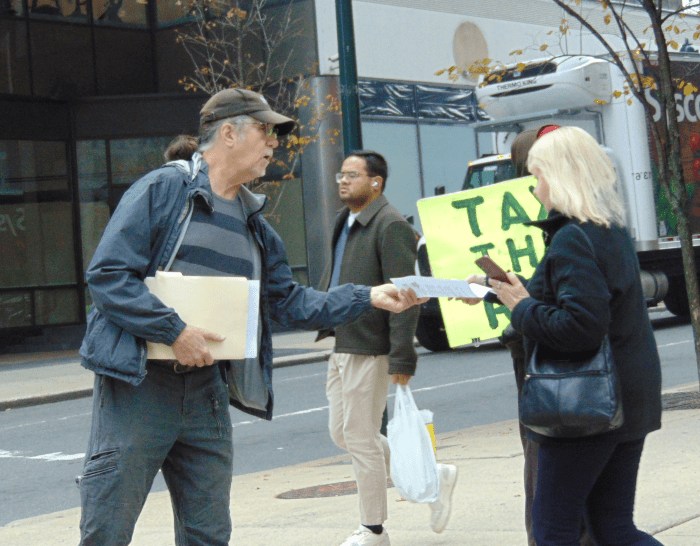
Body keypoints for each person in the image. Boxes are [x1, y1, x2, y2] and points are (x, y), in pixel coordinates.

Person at [77, 88, 424, 546]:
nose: (274, 143)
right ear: (228, 134)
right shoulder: (162, 191)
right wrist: (174, 331)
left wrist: (369, 296)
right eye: (264, 130)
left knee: (208, 534)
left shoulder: (255, 226)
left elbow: (289, 303)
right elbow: (107, 276)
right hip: (140, 388)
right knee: (108, 530)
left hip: (207, 391)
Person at [483, 126, 663, 545]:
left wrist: (521, 308)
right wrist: (503, 293)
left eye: (538, 177)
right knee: (613, 528)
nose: (535, 189)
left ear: (560, 177)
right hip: (628, 396)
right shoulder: (608, 228)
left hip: (589, 405)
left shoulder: (571, 237)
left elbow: (579, 327)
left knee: (553, 530)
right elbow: (577, 302)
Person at [317, 150, 458, 546]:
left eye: (352, 175)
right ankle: (433, 476)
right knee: (343, 434)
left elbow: (406, 295)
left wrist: (402, 356)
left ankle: (373, 530)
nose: (343, 181)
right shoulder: (344, 221)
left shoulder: (391, 225)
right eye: (341, 175)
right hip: (342, 341)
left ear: (376, 182)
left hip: (371, 346)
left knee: (360, 439)